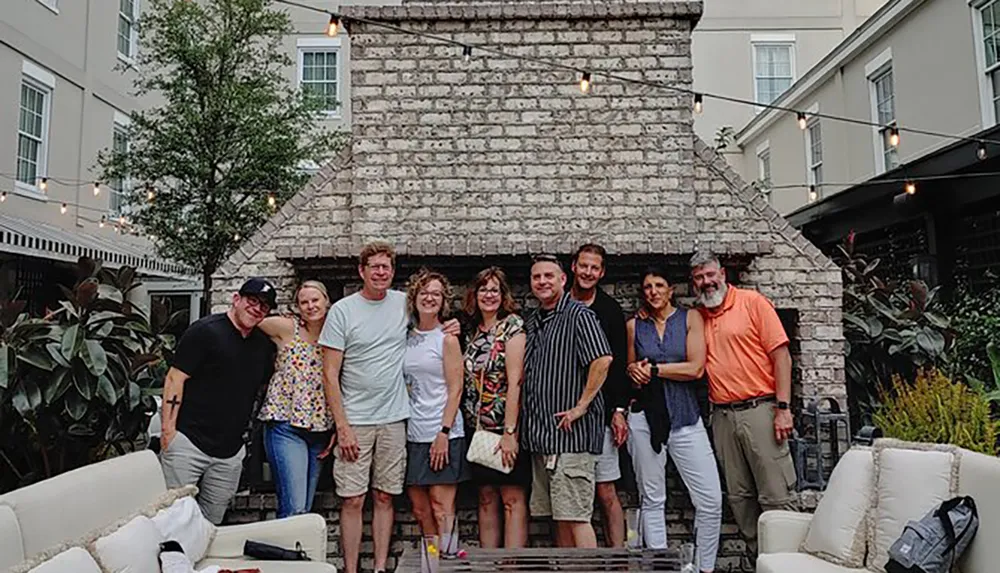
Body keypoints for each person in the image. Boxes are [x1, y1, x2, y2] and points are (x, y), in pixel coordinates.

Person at [319, 241, 459, 573]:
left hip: (396, 420)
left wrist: (451, 326)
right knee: (353, 499)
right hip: (356, 420)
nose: (381, 273)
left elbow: (431, 324)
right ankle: (352, 569)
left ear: (392, 272)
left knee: (385, 497)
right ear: (362, 271)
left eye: (386, 267)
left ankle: (381, 567)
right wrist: (342, 426)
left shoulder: (403, 305)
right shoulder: (342, 311)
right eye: (375, 267)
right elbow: (329, 373)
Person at [689, 251, 798, 556]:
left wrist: (783, 408)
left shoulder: (753, 303)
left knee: (776, 494)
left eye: (710, 275)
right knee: (739, 498)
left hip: (760, 410)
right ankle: (758, 560)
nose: (706, 282)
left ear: (722, 274)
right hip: (722, 416)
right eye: (699, 278)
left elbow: (781, 356)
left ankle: (786, 560)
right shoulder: (698, 316)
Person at [625, 267, 722, 573]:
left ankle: (704, 568)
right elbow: (631, 371)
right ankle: (661, 566)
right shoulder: (634, 326)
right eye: (647, 287)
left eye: (659, 285)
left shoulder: (690, 318)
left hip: (685, 417)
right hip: (645, 419)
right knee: (652, 498)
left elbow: (695, 369)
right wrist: (634, 372)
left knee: (710, 500)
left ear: (670, 290)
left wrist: (653, 370)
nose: (653, 291)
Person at [159, 278, 278, 525]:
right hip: (188, 442)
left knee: (210, 525)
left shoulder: (262, 345)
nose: (257, 308)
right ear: (237, 299)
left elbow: (263, 387)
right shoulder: (205, 331)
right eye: (252, 301)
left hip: (229, 453)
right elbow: (175, 378)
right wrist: (168, 431)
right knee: (173, 519)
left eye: (264, 306)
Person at [521, 254, 612, 549]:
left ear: (563, 279)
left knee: (576, 517)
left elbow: (602, 359)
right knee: (557, 517)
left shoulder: (579, 315)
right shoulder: (534, 320)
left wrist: (582, 405)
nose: (543, 282)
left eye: (549, 276)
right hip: (543, 439)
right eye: (537, 277)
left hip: (571, 437)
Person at [461, 267, 530, 549]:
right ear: (474, 295)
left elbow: (516, 382)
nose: (488, 295)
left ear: (503, 296)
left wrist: (510, 432)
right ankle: (489, 562)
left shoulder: (513, 327)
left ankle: (512, 565)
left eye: (494, 290)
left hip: (506, 427)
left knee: (512, 499)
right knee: (486, 496)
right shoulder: (471, 331)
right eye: (483, 290)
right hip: (477, 431)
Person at [403, 269, 469, 558]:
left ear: (444, 301)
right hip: (411, 431)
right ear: (414, 297)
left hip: (443, 430)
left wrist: (443, 432)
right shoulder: (404, 336)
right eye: (423, 292)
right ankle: (433, 559)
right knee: (419, 508)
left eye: (436, 293)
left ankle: (451, 557)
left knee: (442, 507)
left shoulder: (447, 338)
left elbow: (456, 389)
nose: (429, 298)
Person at [256, 280, 336, 519]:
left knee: (305, 509)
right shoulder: (287, 328)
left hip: (319, 431)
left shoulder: (337, 334)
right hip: (285, 426)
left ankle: (296, 555)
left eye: (315, 300)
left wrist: (338, 429)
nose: (311, 306)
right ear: (297, 307)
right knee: (294, 509)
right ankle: (285, 556)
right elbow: (248, 320)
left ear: (326, 301)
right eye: (304, 302)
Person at [568, 244, 628, 548]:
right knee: (567, 496)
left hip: (601, 414)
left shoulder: (609, 310)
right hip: (564, 414)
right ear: (573, 267)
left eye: (594, 268)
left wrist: (618, 410)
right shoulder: (560, 303)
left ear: (601, 273)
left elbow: (618, 365)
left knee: (605, 490)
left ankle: (618, 559)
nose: (588, 272)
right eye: (584, 266)